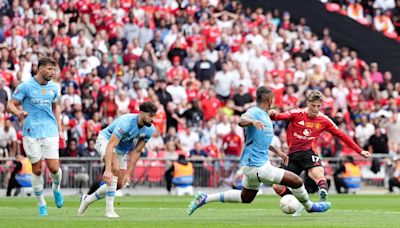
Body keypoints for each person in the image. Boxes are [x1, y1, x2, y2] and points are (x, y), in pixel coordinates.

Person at [187, 86, 331, 216]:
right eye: (273, 98)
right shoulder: (254, 112)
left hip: (254, 165)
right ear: (269, 99)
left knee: (246, 197)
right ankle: (310, 206)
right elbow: (241, 120)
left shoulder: (266, 116)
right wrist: (251, 122)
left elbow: (262, 141)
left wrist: (278, 152)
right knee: (296, 181)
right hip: (257, 165)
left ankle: (205, 198)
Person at [269, 90, 370, 215]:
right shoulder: (296, 113)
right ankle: (298, 203)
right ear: (307, 103)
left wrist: (359, 151)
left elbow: (342, 135)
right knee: (277, 186)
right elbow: (279, 116)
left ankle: (323, 193)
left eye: (318, 106)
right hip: (292, 156)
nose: (316, 109)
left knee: (317, 173)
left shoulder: (324, 120)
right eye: (313, 106)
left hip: (308, 152)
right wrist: (272, 114)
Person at [78, 101, 157, 218]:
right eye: (150, 116)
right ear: (141, 113)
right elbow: (110, 145)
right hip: (106, 141)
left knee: (118, 184)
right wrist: (108, 170)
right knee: (114, 169)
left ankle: (87, 199)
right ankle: (109, 211)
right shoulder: (126, 122)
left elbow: (137, 151)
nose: (153, 119)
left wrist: (128, 174)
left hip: (121, 150)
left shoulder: (149, 129)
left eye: (154, 116)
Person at [7, 57, 64, 217]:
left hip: (50, 131)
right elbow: (10, 104)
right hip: (31, 133)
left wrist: (60, 129)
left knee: (53, 168)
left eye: (54, 70)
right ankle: (41, 203)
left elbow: (55, 107)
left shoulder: (54, 88)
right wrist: (18, 113)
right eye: (50, 69)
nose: (53, 73)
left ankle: (56, 189)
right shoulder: (25, 87)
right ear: (40, 69)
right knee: (37, 169)